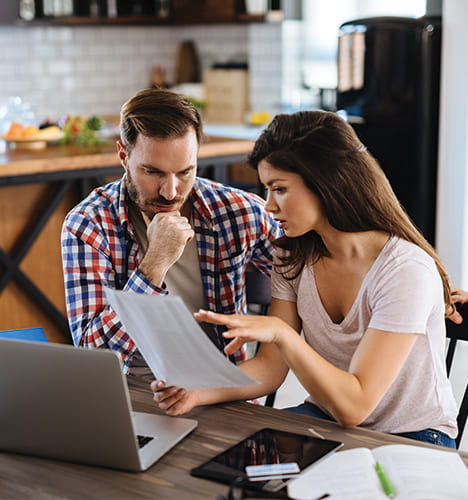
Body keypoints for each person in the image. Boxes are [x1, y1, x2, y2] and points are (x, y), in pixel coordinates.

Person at [152, 110, 460, 448]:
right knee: (224, 467)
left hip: (412, 438)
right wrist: (196, 391)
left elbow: (355, 407)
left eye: (279, 189)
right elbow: (270, 369)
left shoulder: (404, 269)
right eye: (266, 189)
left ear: (327, 182)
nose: (268, 206)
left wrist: (284, 335)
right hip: (326, 421)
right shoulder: (292, 255)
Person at [61, 88, 280, 374]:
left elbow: (311, 281)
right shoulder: (88, 225)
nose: (170, 192)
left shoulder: (238, 212)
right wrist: (154, 266)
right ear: (123, 155)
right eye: (153, 172)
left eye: (185, 172)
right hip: (130, 393)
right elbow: (95, 357)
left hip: (222, 391)